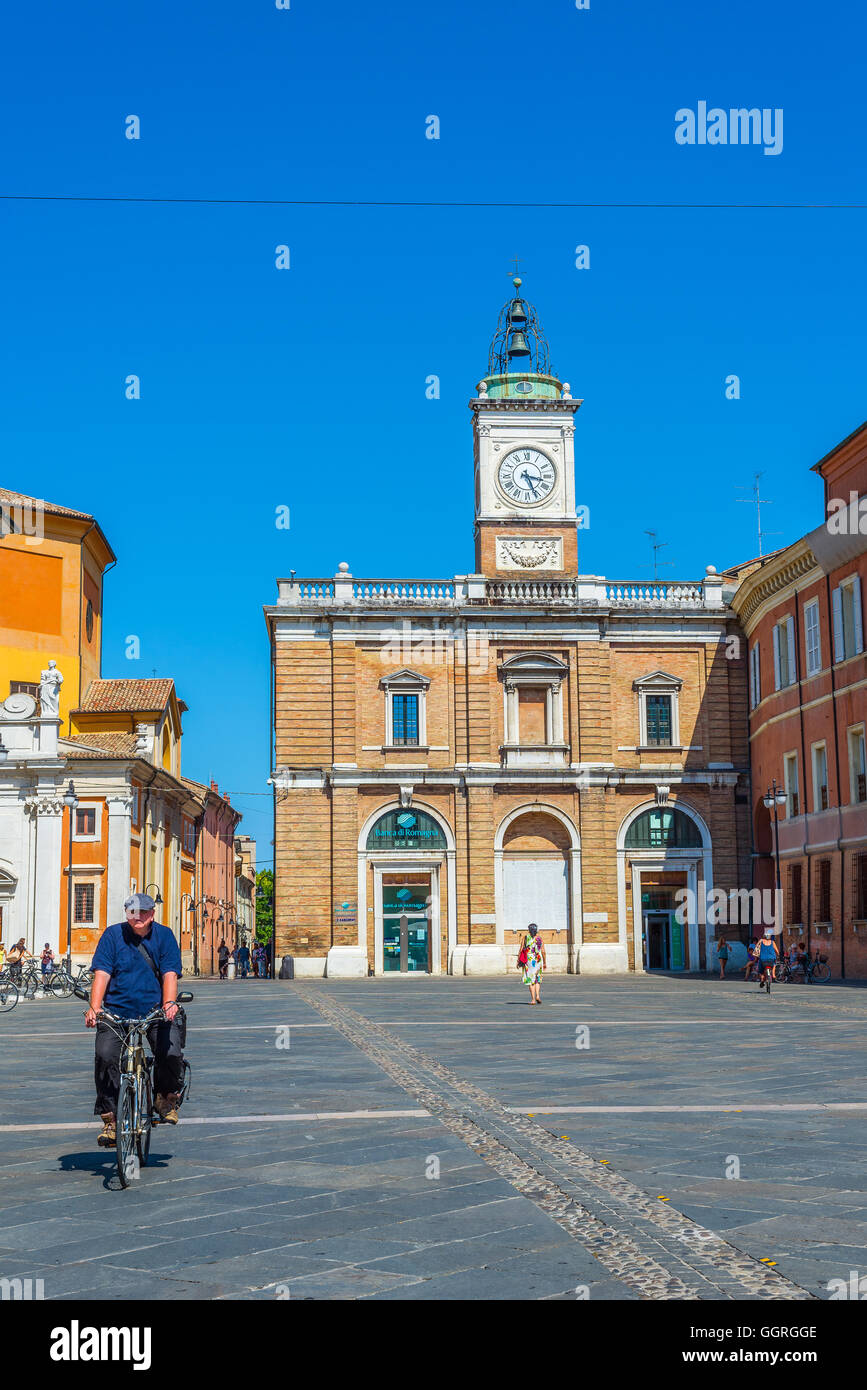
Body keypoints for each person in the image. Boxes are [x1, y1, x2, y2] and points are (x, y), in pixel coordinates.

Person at [85, 893, 186, 1148]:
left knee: (171, 1050)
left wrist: (169, 1005)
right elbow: (102, 974)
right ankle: (110, 1119)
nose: (137, 916)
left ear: (152, 913)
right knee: (105, 1055)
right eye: (132, 912)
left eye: (143, 912)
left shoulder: (164, 936)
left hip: (155, 1010)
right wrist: (95, 1009)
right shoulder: (112, 936)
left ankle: (164, 1098)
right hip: (116, 1011)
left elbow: (170, 974)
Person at [517, 922, 546, 1005]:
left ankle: (533, 1000)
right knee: (537, 979)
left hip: (529, 960)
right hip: (538, 960)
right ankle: (538, 996)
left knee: (530, 979)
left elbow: (521, 949)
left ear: (529, 930)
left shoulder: (525, 938)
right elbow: (543, 951)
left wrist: (518, 960)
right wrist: (545, 962)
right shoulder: (539, 939)